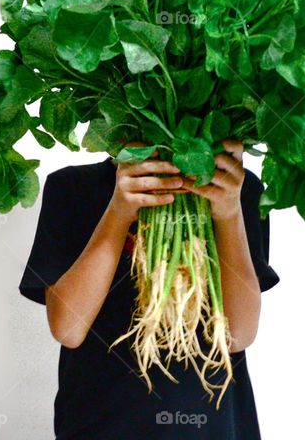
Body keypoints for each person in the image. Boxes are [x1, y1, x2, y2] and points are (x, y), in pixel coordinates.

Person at [19, 139, 280, 439]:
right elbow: (68, 329)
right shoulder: (73, 187)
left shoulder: (234, 187)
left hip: (213, 427)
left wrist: (229, 214)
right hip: (100, 426)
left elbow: (239, 335)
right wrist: (118, 212)